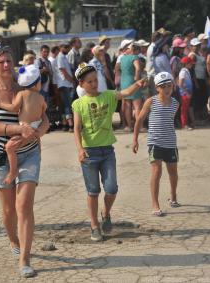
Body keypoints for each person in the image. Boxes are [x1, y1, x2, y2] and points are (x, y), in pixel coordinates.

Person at [0, 43, 49, 278]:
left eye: (9, 60)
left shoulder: (25, 88)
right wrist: (17, 128)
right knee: (9, 209)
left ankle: (25, 259)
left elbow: (45, 119)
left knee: (24, 205)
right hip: (1, 155)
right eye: (2, 62)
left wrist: (36, 134)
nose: (7, 65)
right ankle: (14, 241)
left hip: (29, 153)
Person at [72, 63, 146, 241]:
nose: (94, 84)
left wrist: (137, 84)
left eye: (95, 80)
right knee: (93, 191)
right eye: (89, 82)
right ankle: (94, 225)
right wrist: (80, 149)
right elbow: (76, 129)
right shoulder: (78, 104)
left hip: (107, 151)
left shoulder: (108, 96)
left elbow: (126, 93)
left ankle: (105, 213)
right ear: (81, 84)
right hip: (89, 153)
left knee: (111, 188)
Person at [132, 72, 180, 216]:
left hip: (170, 143)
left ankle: (173, 196)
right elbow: (139, 120)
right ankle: (155, 204)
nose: (167, 89)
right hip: (155, 143)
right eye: (163, 86)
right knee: (156, 172)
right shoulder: (150, 102)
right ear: (157, 88)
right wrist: (135, 139)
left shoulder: (175, 104)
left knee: (173, 173)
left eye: (169, 86)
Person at [0, 65, 46, 185]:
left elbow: (14, 108)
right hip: (35, 126)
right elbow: (44, 112)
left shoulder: (22, 94)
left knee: (9, 147)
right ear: (37, 84)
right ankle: (38, 157)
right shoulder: (41, 97)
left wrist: (0, 104)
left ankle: (13, 171)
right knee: (36, 142)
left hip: (25, 128)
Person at [120, 43, 142, 131]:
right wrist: (137, 77)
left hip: (124, 82)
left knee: (127, 105)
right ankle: (139, 126)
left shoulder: (122, 58)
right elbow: (138, 68)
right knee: (137, 106)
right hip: (132, 82)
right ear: (135, 50)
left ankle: (129, 126)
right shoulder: (135, 57)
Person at [57, 42, 76, 132]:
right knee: (67, 105)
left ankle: (66, 124)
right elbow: (63, 71)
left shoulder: (64, 57)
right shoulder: (60, 57)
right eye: (65, 47)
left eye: (68, 47)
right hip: (64, 84)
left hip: (67, 84)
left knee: (66, 105)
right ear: (60, 47)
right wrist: (72, 81)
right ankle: (70, 125)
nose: (67, 49)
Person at [188, 38, 208, 119]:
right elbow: (192, 70)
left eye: (198, 45)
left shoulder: (199, 54)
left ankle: (200, 117)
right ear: (192, 46)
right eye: (195, 46)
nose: (197, 47)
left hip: (202, 79)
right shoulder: (192, 55)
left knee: (202, 99)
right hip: (197, 80)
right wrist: (195, 82)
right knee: (196, 99)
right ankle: (196, 118)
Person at [178, 56, 195, 129]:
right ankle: (184, 124)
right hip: (184, 94)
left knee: (186, 108)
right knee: (184, 109)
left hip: (187, 93)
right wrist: (186, 92)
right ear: (186, 64)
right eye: (190, 63)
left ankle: (186, 123)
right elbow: (180, 83)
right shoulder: (183, 72)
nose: (191, 65)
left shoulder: (186, 71)